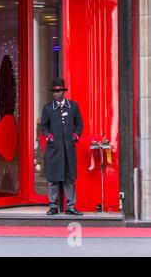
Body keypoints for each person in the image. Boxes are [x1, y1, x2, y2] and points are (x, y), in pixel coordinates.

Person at [40, 78, 83, 216]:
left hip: (68, 149)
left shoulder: (73, 106)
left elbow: (79, 123)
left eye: (59, 91)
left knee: (69, 179)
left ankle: (70, 206)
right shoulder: (47, 108)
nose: (56, 94)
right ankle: (53, 206)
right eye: (54, 91)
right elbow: (44, 126)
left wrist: (75, 136)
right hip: (54, 149)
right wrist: (49, 137)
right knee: (53, 179)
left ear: (64, 91)